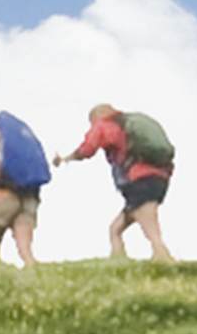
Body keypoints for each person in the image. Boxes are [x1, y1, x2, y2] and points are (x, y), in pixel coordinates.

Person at [72, 103, 177, 263]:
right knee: (116, 229)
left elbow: (88, 148)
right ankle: (118, 258)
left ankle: (162, 254)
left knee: (148, 221)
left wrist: (69, 157)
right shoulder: (130, 123)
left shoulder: (106, 124)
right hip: (161, 177)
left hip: (139, 177)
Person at [0, 109, 53, 271]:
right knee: (25, 243)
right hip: (31, 195)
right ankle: (32, 268)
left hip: (4, 194)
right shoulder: (25, 143)